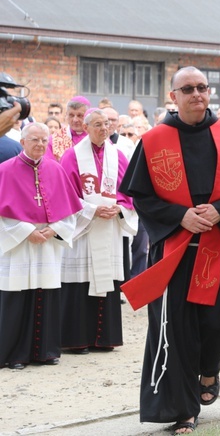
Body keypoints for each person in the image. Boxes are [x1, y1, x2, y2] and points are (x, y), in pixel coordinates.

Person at [120, 66, 220, 433]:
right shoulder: (153, 140)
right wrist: (180, 216)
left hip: (215, 244)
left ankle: (210, 371)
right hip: (173, 250)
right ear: (174, 96)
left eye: (202, 87)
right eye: (188, 89)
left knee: (214, 327)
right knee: (175, 330)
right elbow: (141, 196)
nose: (197, 94)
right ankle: (184, 410)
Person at [0, 123, 82, 369]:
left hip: (48, 242)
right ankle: (15, 354)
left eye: (44, 140)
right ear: (23, 142)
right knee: (17, 297)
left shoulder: (56, 169)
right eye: (34, 140)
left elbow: (70, 211)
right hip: (19, 244)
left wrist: (54, 229)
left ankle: (45, 351)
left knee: (46, 295)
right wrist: (26, 231)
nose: (39, 144)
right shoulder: (5, 170)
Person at [58, 109, 138, 354]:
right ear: (86, 127)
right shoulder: (72, 156)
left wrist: (120, 208)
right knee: (80, 282)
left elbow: (128, 190)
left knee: (106, 280)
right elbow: (66, 193)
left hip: (109, 228)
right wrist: (91, 210)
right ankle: (77, 340)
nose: (104, 129)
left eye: (106, 124)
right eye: (98, 125)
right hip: (85, 228)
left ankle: (104, 339)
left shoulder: (119, 155)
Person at [45, 96, 90, 162]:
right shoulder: (54, 139)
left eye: (80, 115)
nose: (75, 120)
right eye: (71, 115)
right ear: (66, 115)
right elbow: (49, 165)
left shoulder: (96, 137)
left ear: (87, 116)